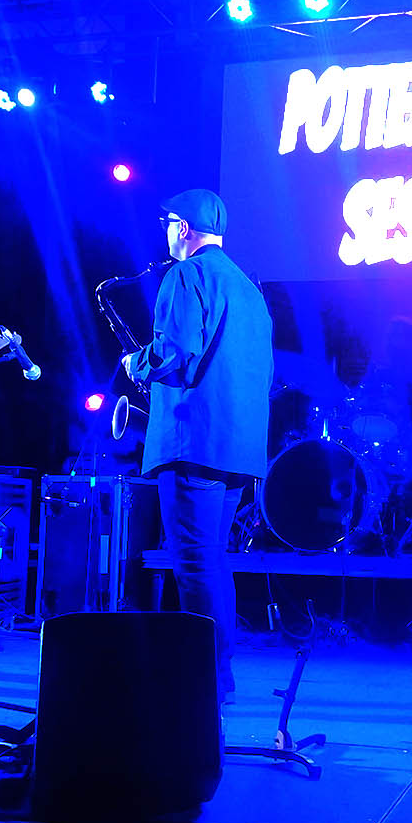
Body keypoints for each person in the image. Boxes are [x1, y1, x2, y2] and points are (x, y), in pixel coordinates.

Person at [123, 189, 273, 704]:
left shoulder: (186, 274)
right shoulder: (249, 289)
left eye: (168, 223)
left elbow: (176, 353)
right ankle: (217, 675)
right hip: (237, 450)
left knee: (194, 564)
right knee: (212, 561)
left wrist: (135, 364)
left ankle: (206, 682)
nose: (166, 233)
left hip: (194, 444)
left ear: (183, 228)